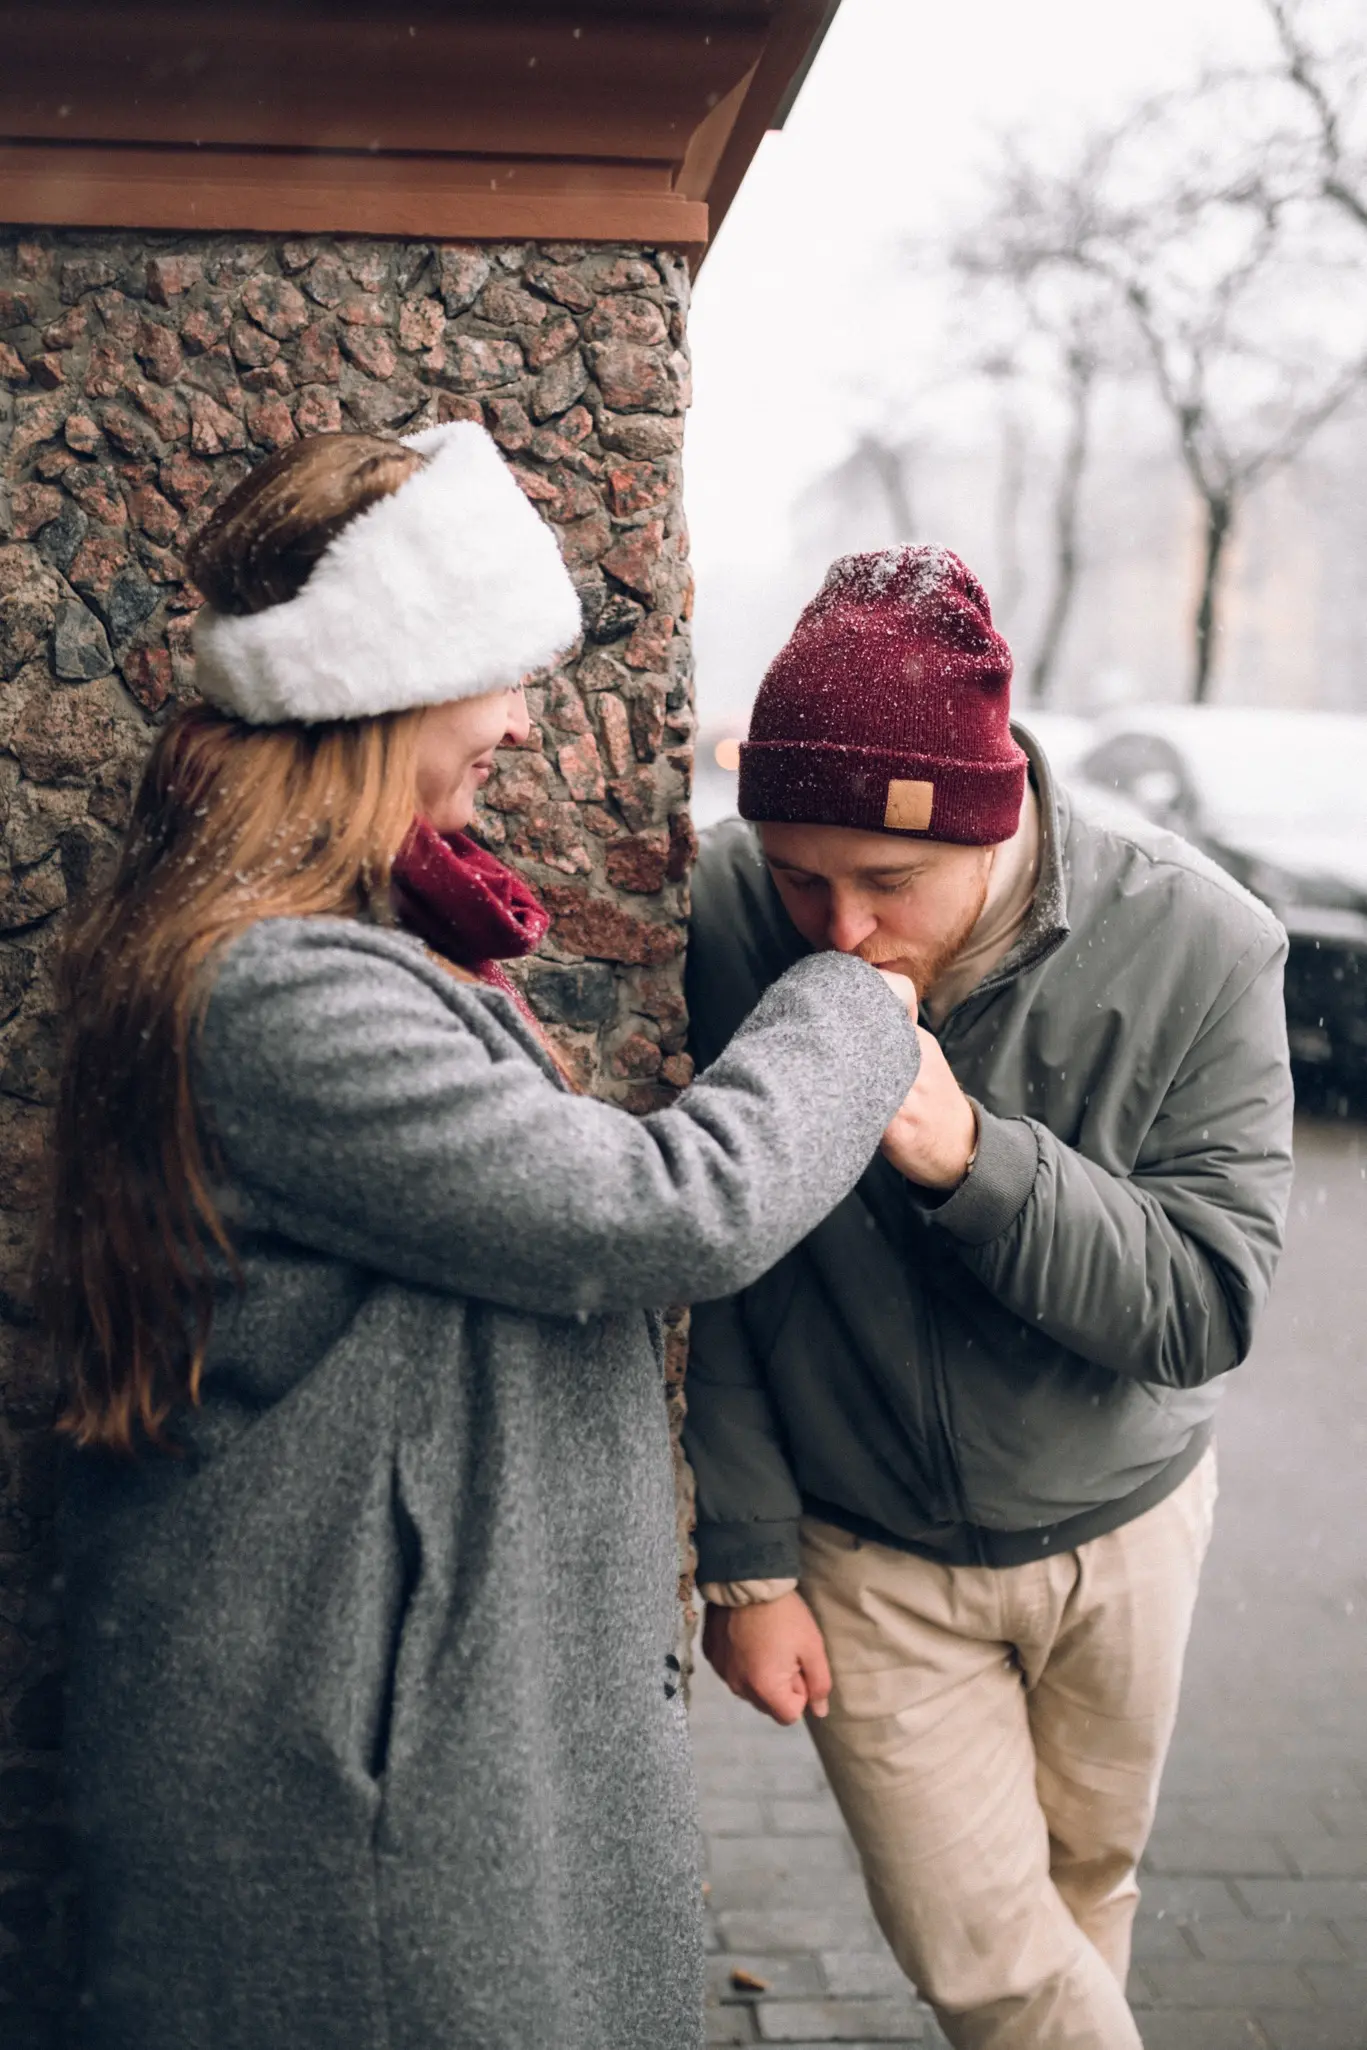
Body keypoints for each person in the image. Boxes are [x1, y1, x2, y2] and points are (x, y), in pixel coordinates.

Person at [37, 426, 925, 2050]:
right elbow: (661, 1210)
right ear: (382, 691)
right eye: (497, 678)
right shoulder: (277, 991)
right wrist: (853, 1009)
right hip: (359, 1767)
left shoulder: (330, 942)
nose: (525, 720)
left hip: (391, 1710)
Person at [684, 545, 1295, 2050]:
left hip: (1124, 1522)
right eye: (798, 875)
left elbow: (1204, 1302)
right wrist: (748, 1562)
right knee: (986, 1957)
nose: (836, 930)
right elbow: (719, 1269)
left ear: (997, 818)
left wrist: (973, 1162)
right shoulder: (714, 912)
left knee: (1082, 1886)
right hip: (866, 1550)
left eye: (887, 883)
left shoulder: (1203, 942)